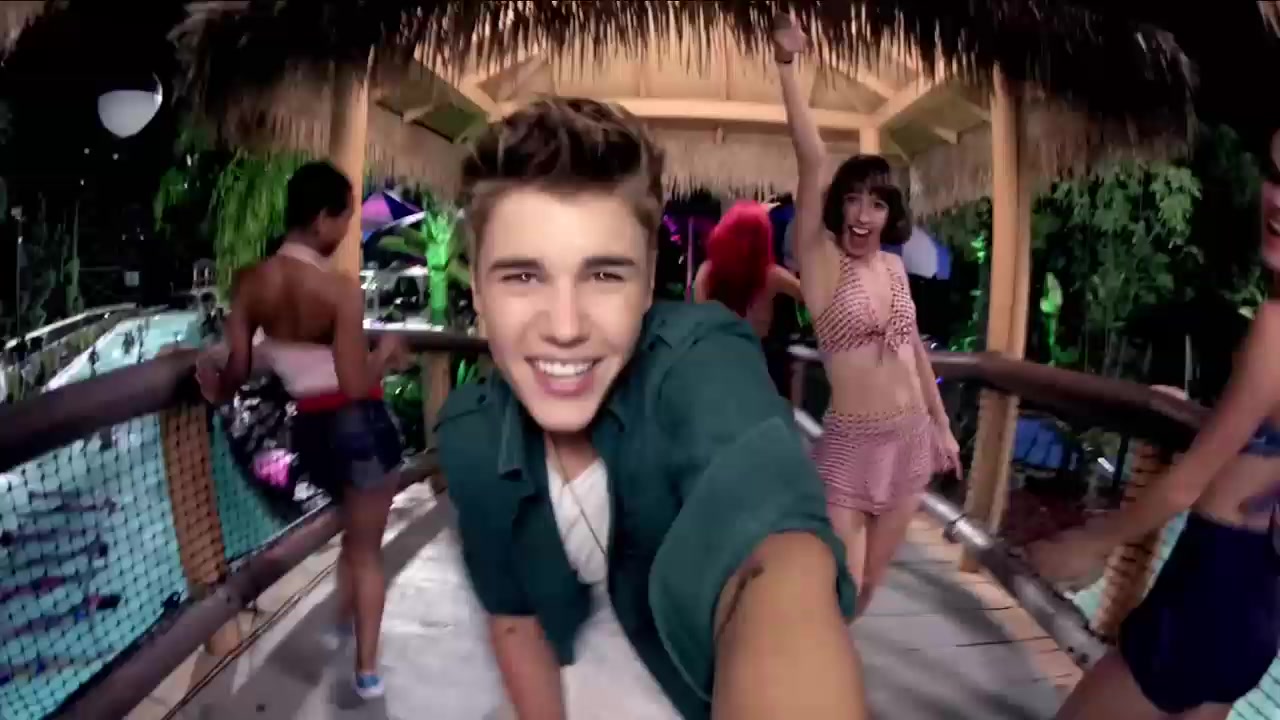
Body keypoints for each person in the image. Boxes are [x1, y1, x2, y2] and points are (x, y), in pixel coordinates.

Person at [437, 97, 865, 720]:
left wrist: (786, 596)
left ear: (646, 281)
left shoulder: (698, 360)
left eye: (604, 276)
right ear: (477, 288)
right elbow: (514, 622)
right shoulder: (473, 433)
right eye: (523, 277)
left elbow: (774, 554)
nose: (565, 327)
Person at [1027, 128, 1280, 720]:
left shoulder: (1275, 327)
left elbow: (1187, 484)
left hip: (1208, 589)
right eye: (1276, 175)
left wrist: (1088, 543)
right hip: (1259, 601)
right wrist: (1210, 417)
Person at [194, 160, 407, 700]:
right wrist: (386, 354)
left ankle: (340, 620)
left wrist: (215, 389)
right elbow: (355, 383)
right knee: (367, 551)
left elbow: (238, 369)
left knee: (352, 535)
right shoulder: (339, 292)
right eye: (344, 219)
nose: (345, 232)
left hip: (310, 434)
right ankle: (366, 673)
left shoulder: (251, 282)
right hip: (361, 428)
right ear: (320, 219)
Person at [772, 15, 962, 616]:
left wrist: (941, 425)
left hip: (910, 439)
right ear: (837, 206)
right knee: (838, 587)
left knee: (870, 588)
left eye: (875, 203)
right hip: (851, 446)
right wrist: (788, 67)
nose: (861, 214)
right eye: (852, 199)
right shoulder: (821, 262)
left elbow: (913, 351)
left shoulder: (895, 268)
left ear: (889, 213)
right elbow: (811, 158)